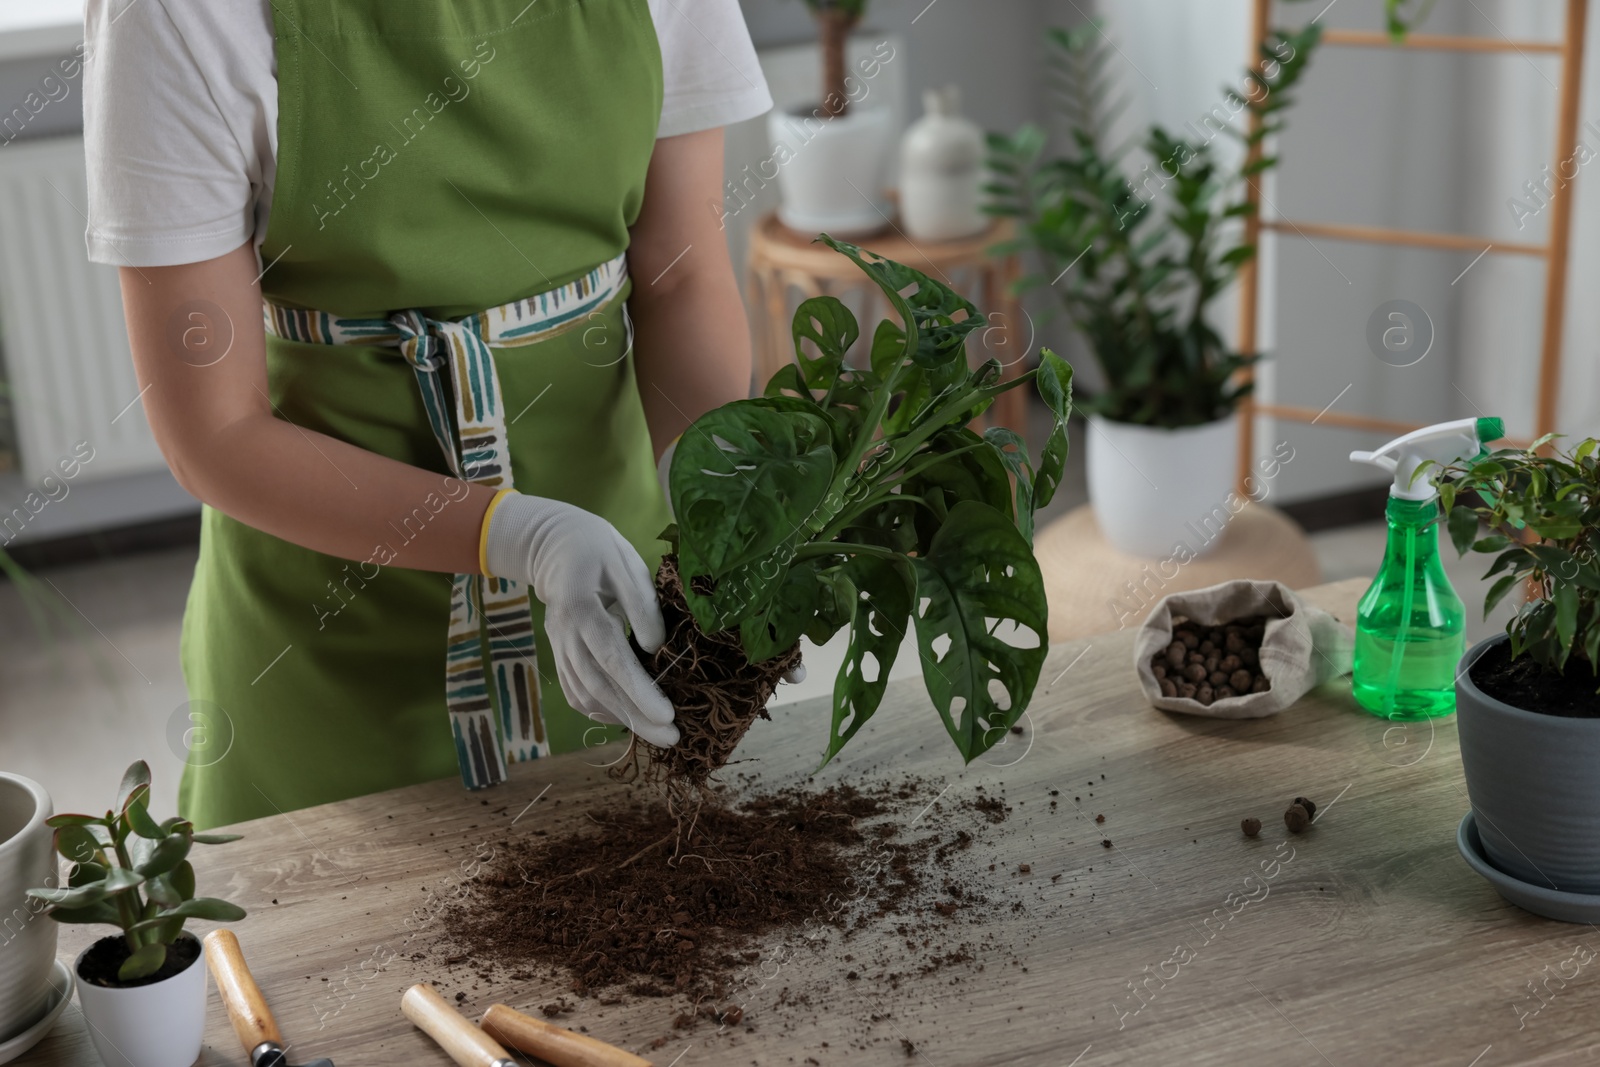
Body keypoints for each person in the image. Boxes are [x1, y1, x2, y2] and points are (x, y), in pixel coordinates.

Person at [83, 0, 775, 829]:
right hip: (331, 645)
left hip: (610, 600)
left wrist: (712, 500)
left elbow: (679, 275)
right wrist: (517, 535)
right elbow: (215, 434)